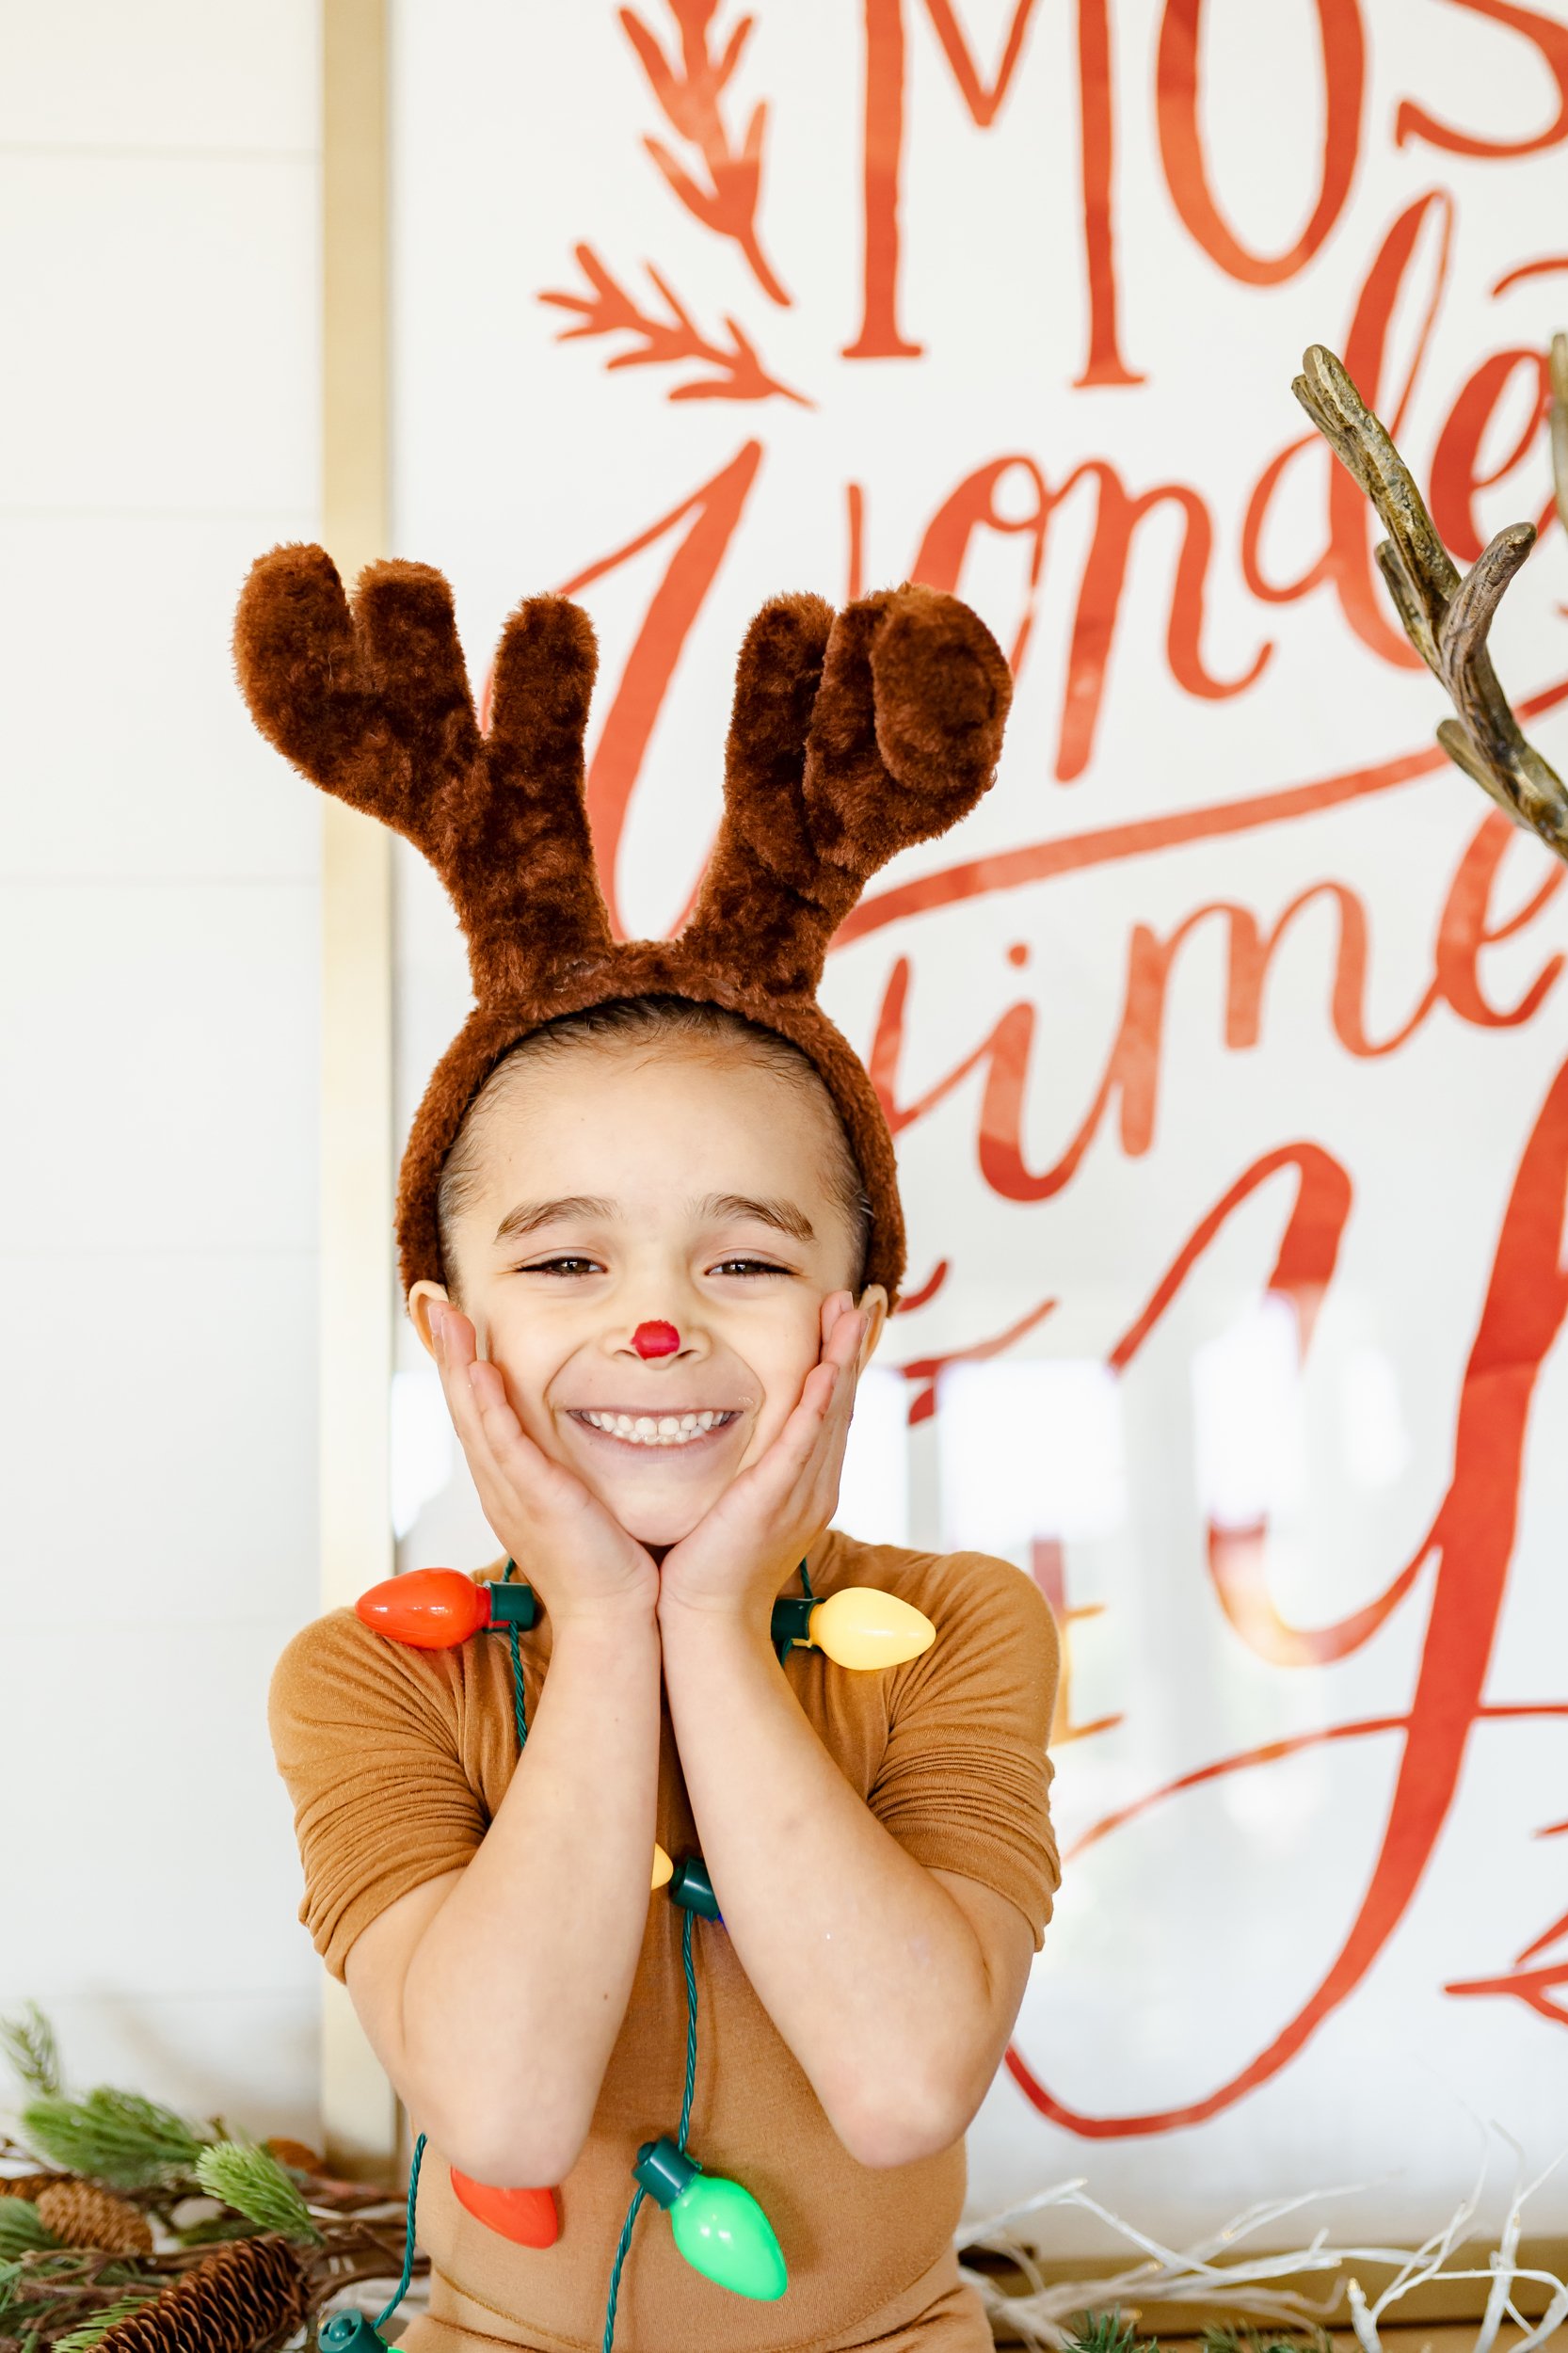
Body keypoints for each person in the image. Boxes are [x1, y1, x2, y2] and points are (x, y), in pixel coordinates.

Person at [248, 552, 1062, 2353]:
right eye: (560, 1260)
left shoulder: (962, 1629)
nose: (655, 1323)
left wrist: (715, 1624)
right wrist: (606, 1630)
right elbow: (510, 2112)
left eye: (751, 1259)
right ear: (447, 1323)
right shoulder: (371, 1683)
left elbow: (904, 2082)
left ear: (858, 1310)